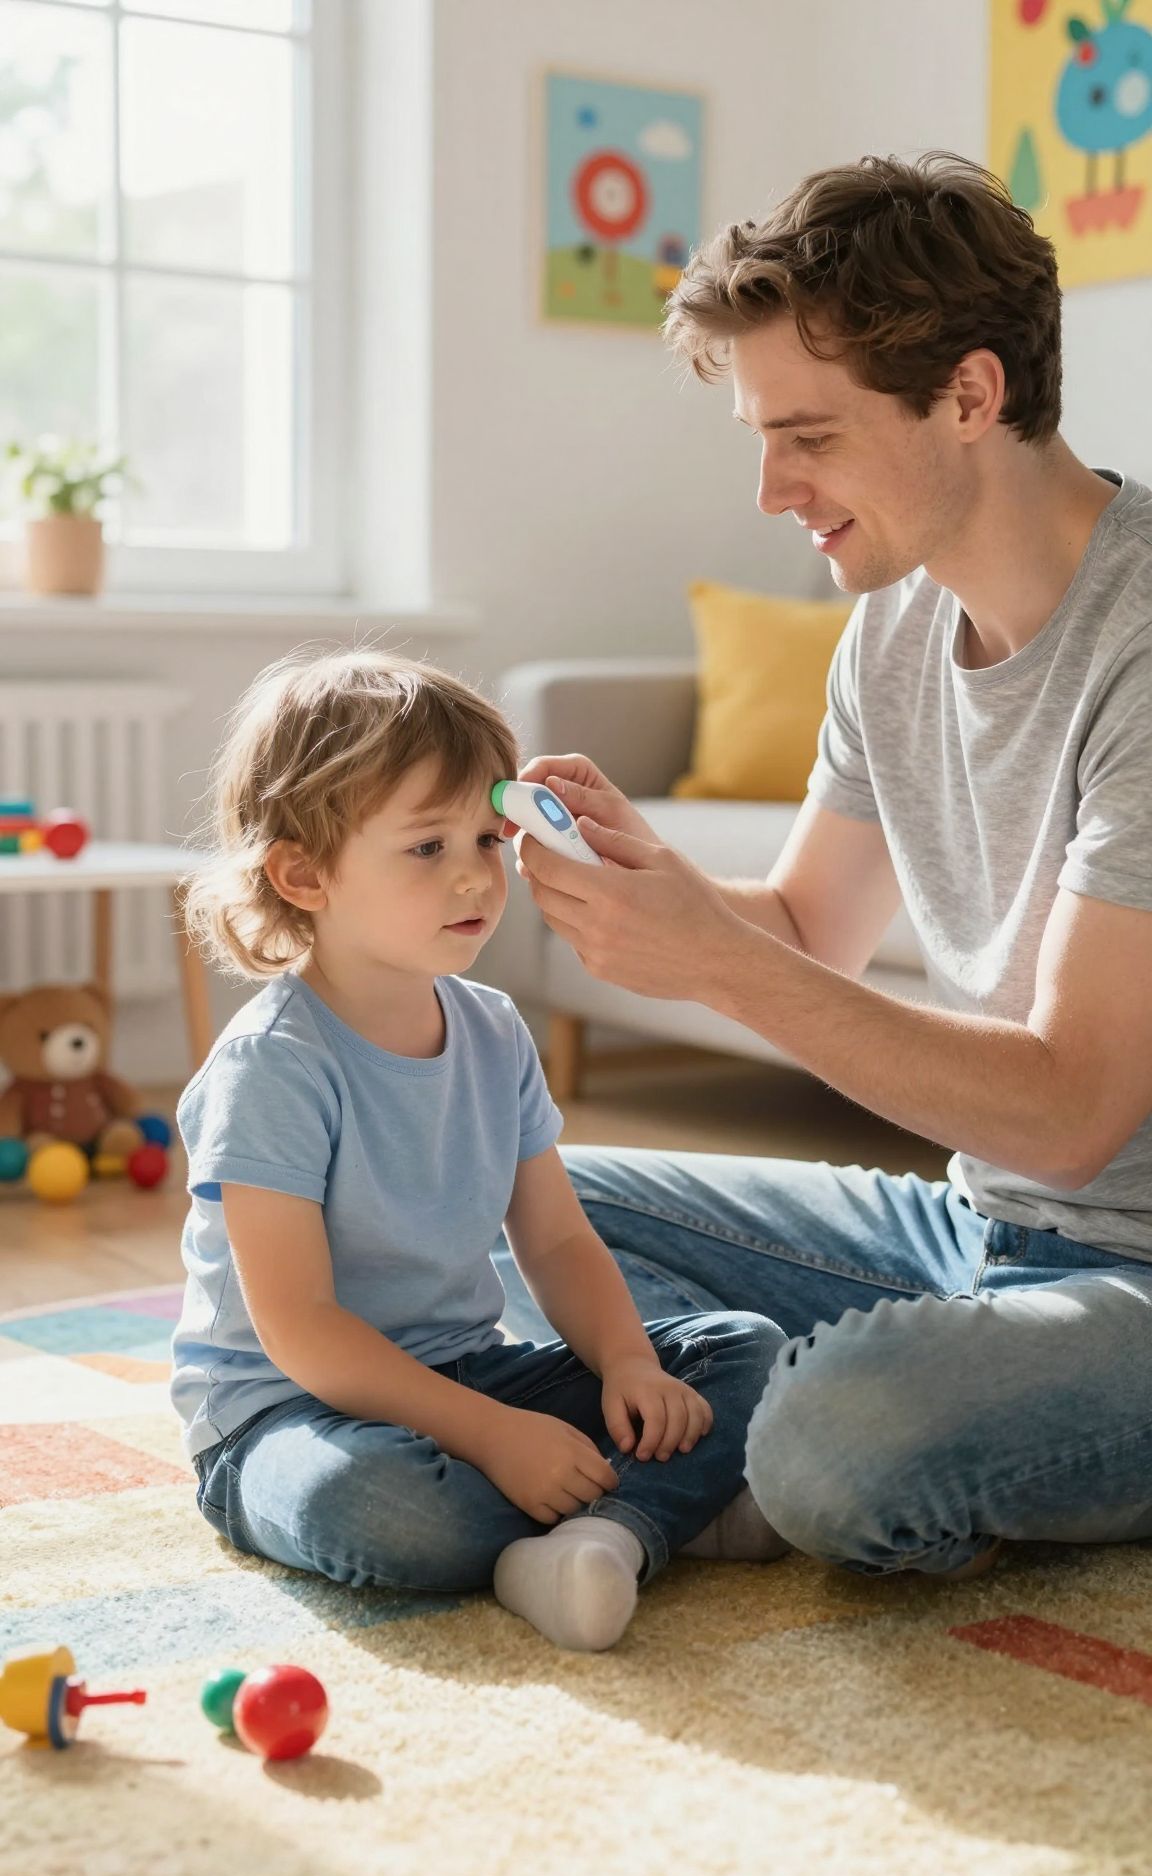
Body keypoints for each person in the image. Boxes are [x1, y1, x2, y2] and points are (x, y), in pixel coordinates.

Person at [511, 152, 1152, 1583]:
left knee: (841, 1446)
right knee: (512, 1193)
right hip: (977, 1233)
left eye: (807, 435)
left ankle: (748, 1439)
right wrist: (641, 885)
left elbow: (1070, 1116)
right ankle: (776, 1416)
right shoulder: (896, 627)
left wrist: (716, 961)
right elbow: (808, 923)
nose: (767, 489)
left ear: (972, 396)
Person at [171, 652, 786, 1654]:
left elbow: (556, 1240)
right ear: (303, 873)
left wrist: (628, 1361)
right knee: (376, 1506)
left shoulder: (496, 1030)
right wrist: (494, 1436)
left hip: (469, 1370)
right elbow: (301, 1327)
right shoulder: (273, 1067)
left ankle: (603, 1533)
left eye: (489, 839)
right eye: (426, 847)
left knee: (740, 1350)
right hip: (290, 1419)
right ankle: (661, 1509)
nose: (475, 874)